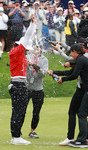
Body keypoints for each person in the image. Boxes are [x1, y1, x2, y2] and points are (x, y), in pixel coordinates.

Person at [49, 43, 88, 148]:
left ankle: (82, 141)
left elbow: (74, 76)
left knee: (82, 114)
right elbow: (71, 72)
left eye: (71, 52)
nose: (70, 54)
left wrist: (62, 80)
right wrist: (54, 72)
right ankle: (85, 139)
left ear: (74, 52)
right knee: (81, 113)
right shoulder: (81, 59)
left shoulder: (81, 60)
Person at [8, 14, 37, 145]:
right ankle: (16, 137)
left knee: (18, 110)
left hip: (17, 84)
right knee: (19, 111)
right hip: (18, 85)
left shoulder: (18, 53)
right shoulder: (18, 50)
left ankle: (16, 136)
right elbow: (28, 36)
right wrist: (33, 23)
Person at [26, 44, 48, 139]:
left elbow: (43, 75)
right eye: (34, 49)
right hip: (26, 88)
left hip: (38, 89)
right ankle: (18, 131)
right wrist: (28, 64)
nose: (35, 50)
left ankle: (32, 131)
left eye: (37, 49)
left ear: (40, 50)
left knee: (36, 112)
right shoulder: (27, 57)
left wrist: (37, 68)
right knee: (21, 110)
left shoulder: (44, 60)